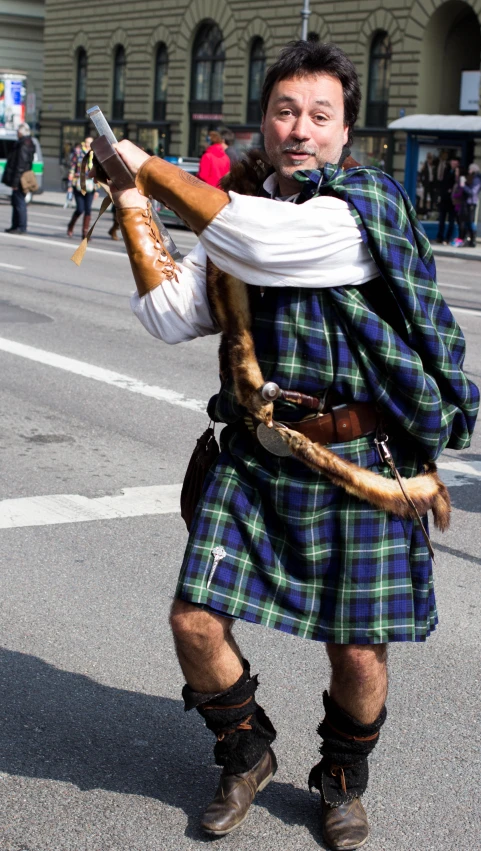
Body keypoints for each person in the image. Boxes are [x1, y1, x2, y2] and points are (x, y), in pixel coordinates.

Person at [106, 41, 478, 850]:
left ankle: (341, 776)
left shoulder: (360, 205)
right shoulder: (237, 217)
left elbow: (269, 242)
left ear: (346, 131)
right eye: (284, 112)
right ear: (263, 123)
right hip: (259, 450)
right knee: (194, 621)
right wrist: (133, 205)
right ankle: (245, 750)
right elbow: (170, 314)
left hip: (361, 462)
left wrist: (152, 170)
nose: (299, 129)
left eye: (319, 115)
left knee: (356, 651)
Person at [3, 123, 35, 234]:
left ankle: (20, 227)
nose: (17, 133)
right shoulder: (27, 142)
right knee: (16, 202)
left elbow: (20, 165)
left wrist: (15, 182)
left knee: (19, 202)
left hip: (21, 178)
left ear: (21, 132)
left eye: (18, 131)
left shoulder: (24, 144)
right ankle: (15, 226)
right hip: (21, 176)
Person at [66, 136, 98, 239]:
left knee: (88, 209)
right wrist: (70, 186)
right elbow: (72, 169)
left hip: (90, 186)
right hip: (78, 185)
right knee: (80, 209)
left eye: (90, 143)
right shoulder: (78, 153)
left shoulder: (95, 155)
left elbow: (98, 172)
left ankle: (85, 233)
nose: (88, 144)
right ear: (84, 143)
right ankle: (71, 225)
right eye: (87, 142)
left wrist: (97, 189)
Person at [435, 156, 457, 244]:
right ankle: (440, 237)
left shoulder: (458, 172)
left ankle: (448, 238)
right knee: (441, 220)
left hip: (452, 201)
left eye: (455, 161)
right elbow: (442, 183)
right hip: (444, 200)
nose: (453, 163)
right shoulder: (446, 170)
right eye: (452, 161)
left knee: (451, 221)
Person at [460, 163, 481, 248]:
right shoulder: (472, 178)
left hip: (472, 203)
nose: (469, 171)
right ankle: (468, 240)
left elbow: (472, 192)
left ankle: (473, 240)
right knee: (467, 221)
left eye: (470, 169)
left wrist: (463, 185)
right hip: (467, 203)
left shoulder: (477, 179)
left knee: (471, 221)